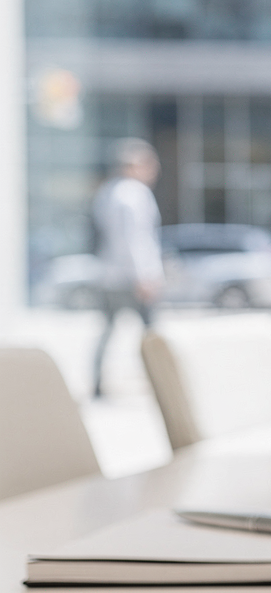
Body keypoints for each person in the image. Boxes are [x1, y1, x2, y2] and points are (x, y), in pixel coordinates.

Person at [91, 138, 165, 398]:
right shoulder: (134, 194)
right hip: (133, 278)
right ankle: (163, 383)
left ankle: (97, 381)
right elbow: (135, 240)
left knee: (108, 330)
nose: (154, 170)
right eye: (150, 165)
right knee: (152, 334)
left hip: (109, 276)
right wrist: (145, 277)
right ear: (135, 165)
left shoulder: (107, 192)